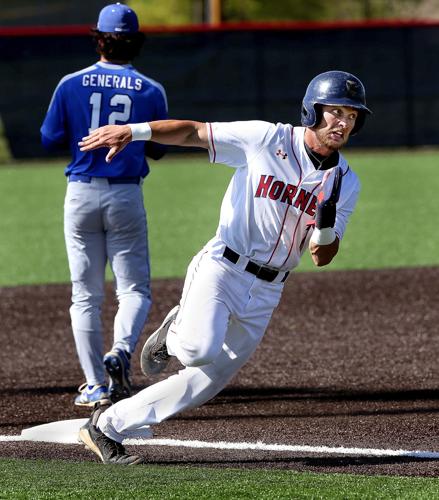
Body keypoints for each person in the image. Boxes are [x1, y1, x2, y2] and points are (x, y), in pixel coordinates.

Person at [76, 70, 371, 464]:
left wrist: (326, 229)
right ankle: (175, 330)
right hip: (224, 266)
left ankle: (106, 426)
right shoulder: (266, 139)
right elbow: (193, 132)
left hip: (269, 289)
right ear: (311, 111)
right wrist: (135, 131)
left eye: (351, 115)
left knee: (206, 381)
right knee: (197, 349)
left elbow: (322, 257)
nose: (342, 122)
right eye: (334, 111)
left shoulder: (345, 183)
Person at [40, 3, 168, 407]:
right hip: (125, 193)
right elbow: (161, 149)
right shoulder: (150, 89)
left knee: (85, 295)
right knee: (132, 289)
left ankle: (95, 384)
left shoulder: (70, 82)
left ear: (98, 38)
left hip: (80, 192)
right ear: (136, 42)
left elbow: (49, 137)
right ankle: (121, 351)